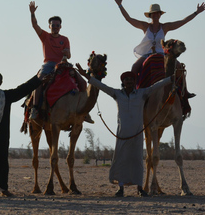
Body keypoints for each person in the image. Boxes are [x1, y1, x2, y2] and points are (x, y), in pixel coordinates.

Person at [75, 65, 176, 197]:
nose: (129, 82)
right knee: (121, 160)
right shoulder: (117, 94)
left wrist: (170, 79)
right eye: (126, 80)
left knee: (137, 160)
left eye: (131, 80)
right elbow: (102, 87)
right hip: (122, 134)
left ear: (135, 82)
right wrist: (86, 76)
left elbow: (156, 86)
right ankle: (120, 187)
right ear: (123, 82)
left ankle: (140, 188)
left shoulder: (142, 93)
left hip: (138, 134)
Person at [112, 0, 205, 83]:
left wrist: (196, 12)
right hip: (147, 54)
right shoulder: (145, 26)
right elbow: (129, 19)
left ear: (160, 15)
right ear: (150, 15)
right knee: (134, 67)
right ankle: (133, 91)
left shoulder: (165, 27)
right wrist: (120, 5)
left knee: (179, 67)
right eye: (153, 13)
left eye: (157, 13)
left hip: (162, 54)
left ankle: (184, 93)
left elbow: (182, 22)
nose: (155, 15)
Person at [27, 0, 78, 122]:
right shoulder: (45, 36)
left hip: (62, 65)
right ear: (49, 26)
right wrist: (32, 13)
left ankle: (81, 110)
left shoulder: (65, 39)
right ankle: (35, 108)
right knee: (38, 81)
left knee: (78, 79)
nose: (55, 27)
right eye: (53, 25)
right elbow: (35, 25)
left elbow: (69, 55)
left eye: (57, 25)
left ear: (61, 27)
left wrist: (66, 54)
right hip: (49, 64)